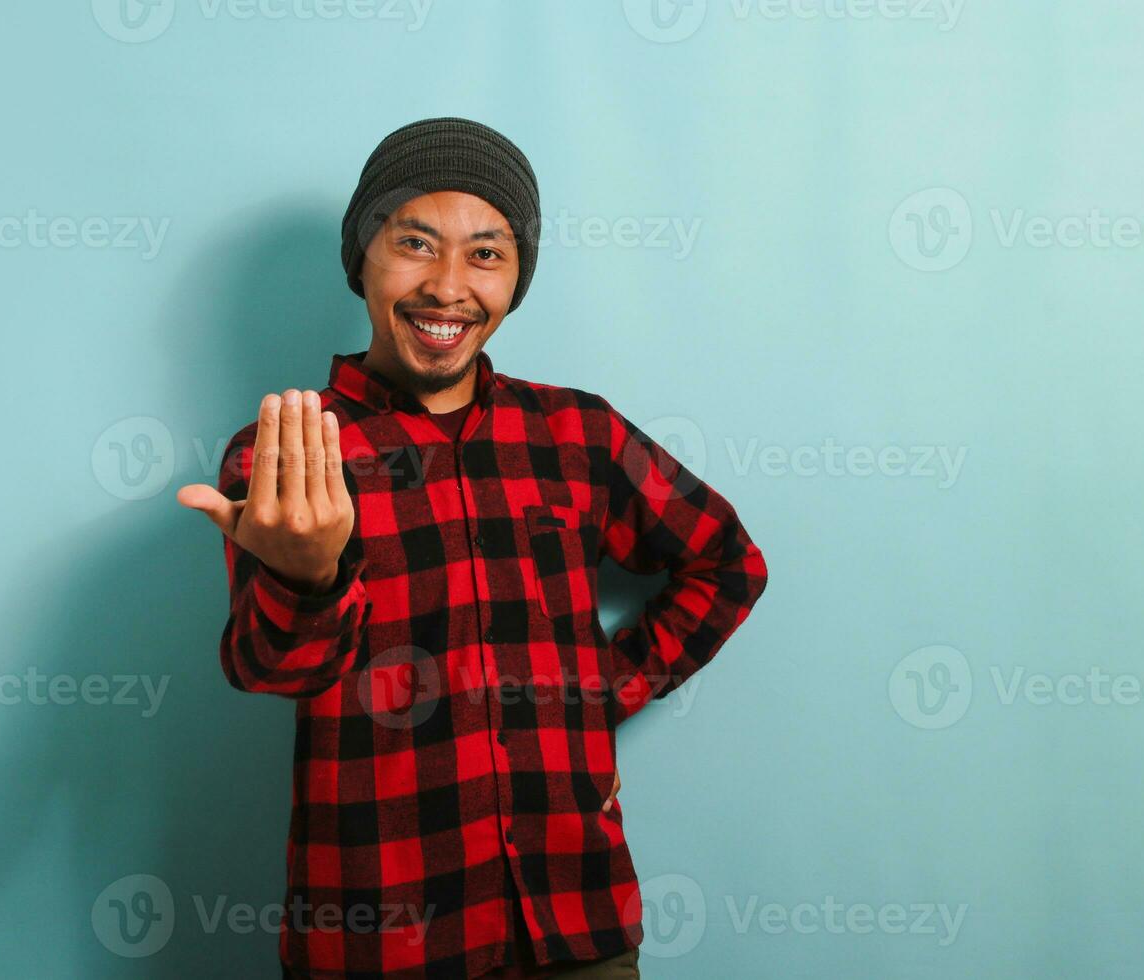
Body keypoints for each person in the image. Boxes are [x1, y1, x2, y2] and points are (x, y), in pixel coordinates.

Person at [178, 116, 769, 979]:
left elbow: (729, 564)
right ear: (363, 258)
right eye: (415, 242)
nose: (448, 286)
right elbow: (277, 669)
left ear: (517, 275)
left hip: (578, 921)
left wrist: (600, 696)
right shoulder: (292, 450)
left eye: (486, 253)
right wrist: (305, 577)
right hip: (380, 934)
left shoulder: (578, 433)